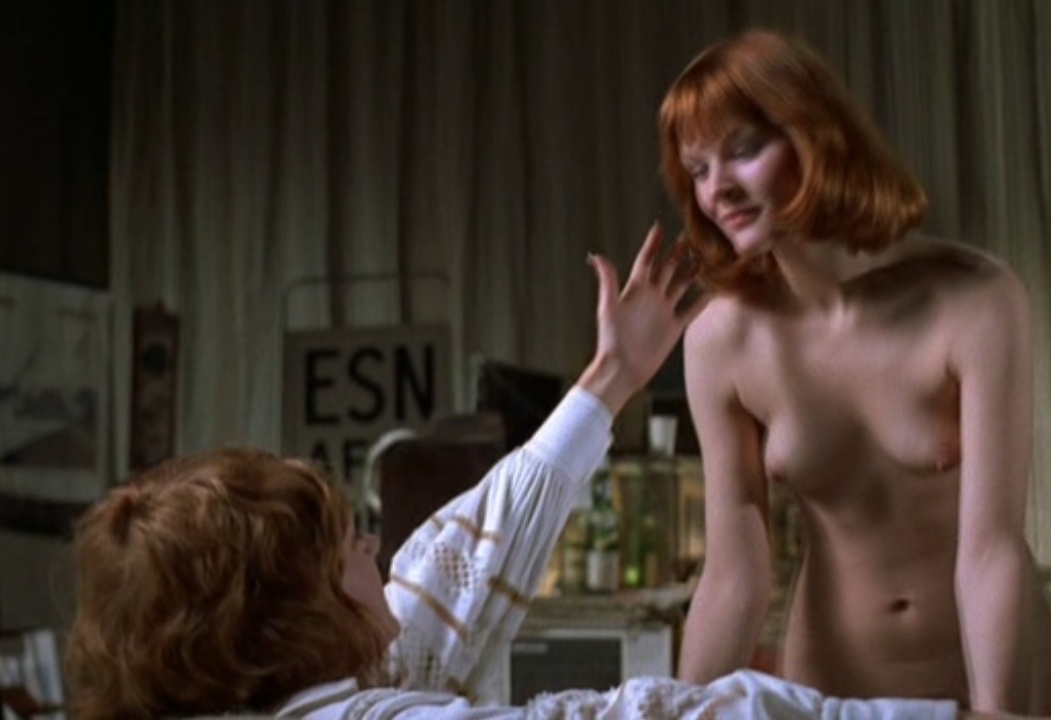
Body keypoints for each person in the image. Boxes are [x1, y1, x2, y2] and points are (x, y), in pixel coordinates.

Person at [64, 225, 969, 720]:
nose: (374, 544)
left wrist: (610, 378)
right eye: (346, 549)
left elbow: (456, 565)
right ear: (290, 621)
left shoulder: (278, 692)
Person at [660, 29, 1051, 716]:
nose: (717, 189)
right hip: (831, 673)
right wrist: (676, 709)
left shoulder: (978, 300)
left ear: (815, 137)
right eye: (697, 170)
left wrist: (996, 707)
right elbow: (733, 574)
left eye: (743, 151)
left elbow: (992, 547)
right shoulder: (719, 342)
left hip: (988, 665)